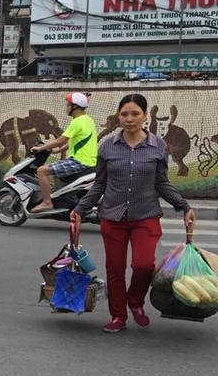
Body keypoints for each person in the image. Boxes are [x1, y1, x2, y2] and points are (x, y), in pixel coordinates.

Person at [71, 93, 195, 333]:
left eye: (135, 114)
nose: (129, 119)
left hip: (146, 216)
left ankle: (135, 301)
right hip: (113, 217)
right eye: (124, 114)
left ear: (145, 116)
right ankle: (118, 316)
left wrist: (184, 206)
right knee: (114, 270)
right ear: (119, 116)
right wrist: (80, 209)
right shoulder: (107, 145)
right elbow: (100, 184)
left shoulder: (158, 145)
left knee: (143, 266)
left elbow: (162, 183)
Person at [30, 91, 98, 213]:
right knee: (57, 172)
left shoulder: (76, 122)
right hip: (89, 161)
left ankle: (47, 202)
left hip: (79, 161)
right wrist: (57, 150)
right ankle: (63, 201)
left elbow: (61, 140)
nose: (66, 107)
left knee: (41, 171)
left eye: (68, 105)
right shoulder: (88, 120)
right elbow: (76, 142)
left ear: (75, 106)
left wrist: (41, 148)